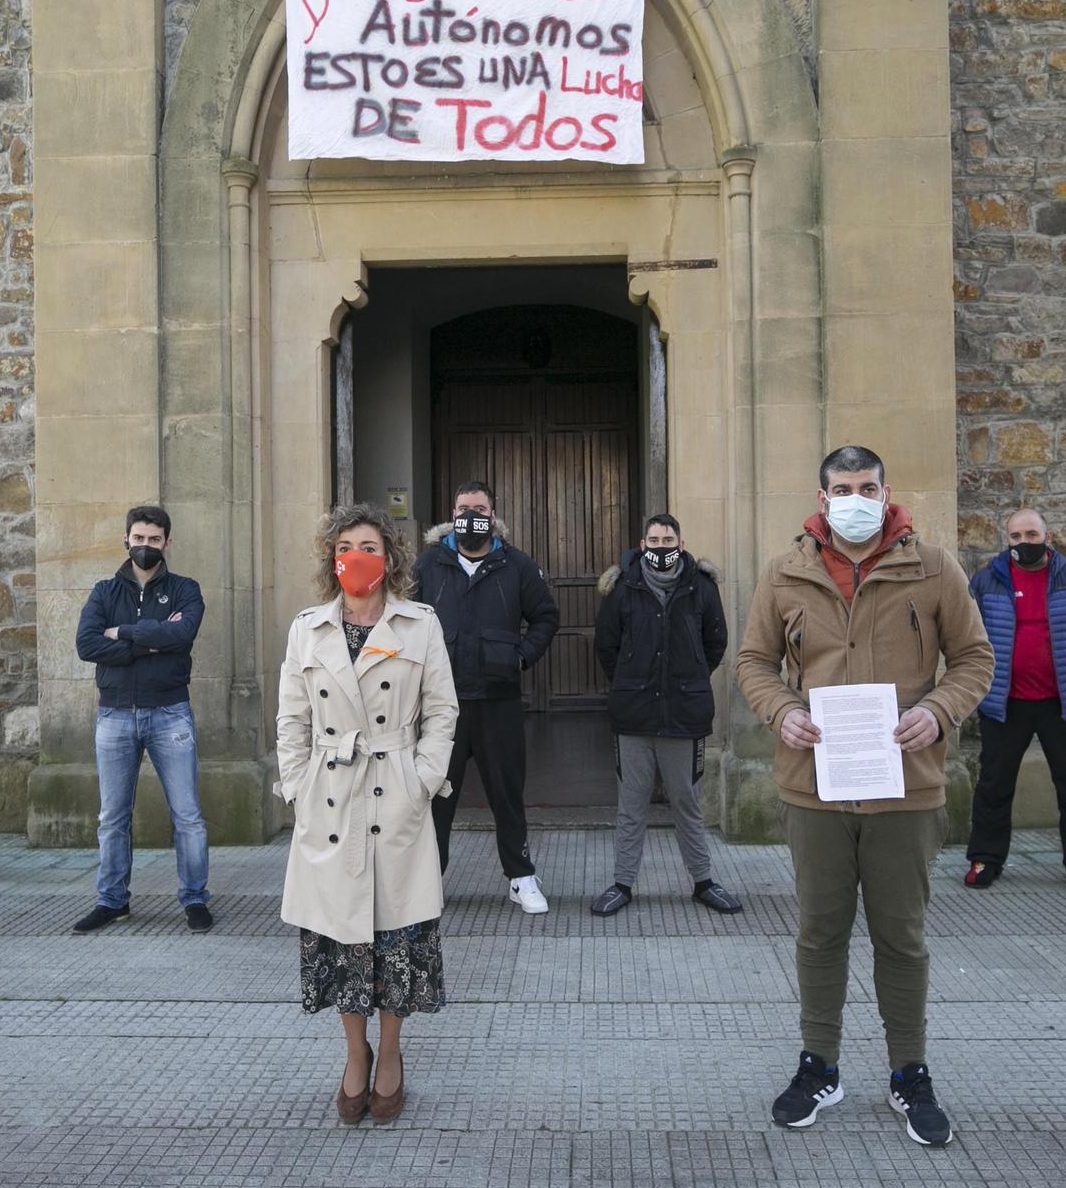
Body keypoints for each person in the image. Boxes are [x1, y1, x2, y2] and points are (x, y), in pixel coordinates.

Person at [736, 445, 992, 1145]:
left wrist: (938, 711)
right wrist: (780, 708)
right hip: (815, 787)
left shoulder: (934, 567)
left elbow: (974, 657)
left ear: (886, 491)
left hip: (905, 789)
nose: (856, 497)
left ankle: (909, 1071)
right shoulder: (785, 572)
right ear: (822, 498)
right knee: (820, 930)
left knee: (900, 936)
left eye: (868, 486)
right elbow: (754, 659)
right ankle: (819, 1063)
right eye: (843, 487)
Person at [277, 504, 458, 1125]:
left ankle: (392, 1056)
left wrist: (422, 779)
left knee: (397, 938)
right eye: (349, 545)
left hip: (396, 795)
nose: (360, 556)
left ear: (391, 559)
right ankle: (355, 1053)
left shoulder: (420, 624)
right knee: (342, 940)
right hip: (329, 801)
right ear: (333, 556)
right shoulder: (308, 627)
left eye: (372, 546)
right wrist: (299, 788)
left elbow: (442, 712)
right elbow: (292, 719)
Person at [415, 481, 559, 914]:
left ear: (492, 515)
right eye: (464, 508)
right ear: (452, 514)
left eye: (479, 508)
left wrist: (521, 657)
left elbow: (545, 617)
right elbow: (404, 618)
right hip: (443, 705)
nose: (471, 515)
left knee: (507, 794)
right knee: (436, 797)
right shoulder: (429, 565)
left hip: (498, 702)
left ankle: (520, 877)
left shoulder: (515, 565)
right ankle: (427, 883)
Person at [589, 513, 742, 917]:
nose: (660, 546)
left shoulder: (701, 588)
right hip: (634, 716)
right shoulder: (623, 589)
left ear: (681, 541)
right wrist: (630, 679)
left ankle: (704, 881)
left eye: (667, 538)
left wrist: (688, 677)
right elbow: (606, 646)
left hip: (684, 714)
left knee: (687, 803)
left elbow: (716, 642)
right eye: (653, 540)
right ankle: (622, 883)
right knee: (631, 805)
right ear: (643, 545)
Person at [71, 505, 211, 934]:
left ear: (166, 543)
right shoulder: (103, 592)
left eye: (154, 539)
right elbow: (87, 644)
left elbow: (182, 634)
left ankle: (195, 899)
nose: (145, 546)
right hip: (115, 715)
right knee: (112, 817)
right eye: (138, 538)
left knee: (187, 815)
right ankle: (112, 901)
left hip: (170, 713)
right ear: (126, 541)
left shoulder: (186, 589)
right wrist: (150, 641)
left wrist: (125, 632)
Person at [963, 508, 1066, 896]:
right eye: (1016, 536)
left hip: (1063, 703)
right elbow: (971, 637)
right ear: (1007, 539)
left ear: (1048, 537)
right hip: (1005, 702)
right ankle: (985, 859)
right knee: (994, 784)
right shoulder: (986, 582)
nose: (1023, 543)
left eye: (1031, 535)